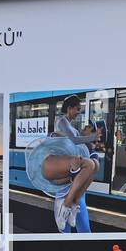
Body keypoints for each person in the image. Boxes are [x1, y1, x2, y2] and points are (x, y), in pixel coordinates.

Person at [24, 94, 97, 232]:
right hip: (62, 167)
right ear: (70, 108)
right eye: (77, 109)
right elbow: (73, 141)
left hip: (70, 169)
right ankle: (67, 205)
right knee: (90, 165)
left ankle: (71, 205)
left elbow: (72, 141)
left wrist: (84, 134)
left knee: (94, 165)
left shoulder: (68, 124)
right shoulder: (62, 121)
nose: (78, 112)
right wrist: (92, 136)